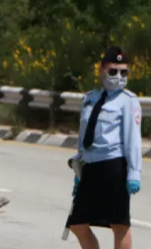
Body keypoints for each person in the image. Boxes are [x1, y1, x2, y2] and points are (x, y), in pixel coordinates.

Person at [66, 46, 142, 249]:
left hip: (113, 167)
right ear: (101, 70)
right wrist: (78, 166)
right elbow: (83, 135)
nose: (119, 76)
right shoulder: (90, 98)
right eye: (113, 71)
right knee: (77, 223)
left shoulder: (128, 101)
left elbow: (133, 139)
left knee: (119, 223)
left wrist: (134, 173)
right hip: (90, 167)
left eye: (123, 72)